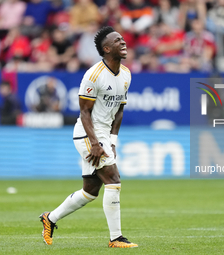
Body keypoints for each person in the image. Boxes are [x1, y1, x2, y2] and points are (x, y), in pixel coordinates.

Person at [39, 26, 138, 248]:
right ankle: (116, 238)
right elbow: (84, 112)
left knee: (90, 191)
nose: (123, 43)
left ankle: (50, 218)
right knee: (113, 179)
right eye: (117, 41)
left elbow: (119, 110)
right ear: (106, 48)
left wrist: (112, 142)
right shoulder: (93, 75)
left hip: (103, 134)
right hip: (87, 132)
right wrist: (95, 143)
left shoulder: (126, 74)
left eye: (123, 39)